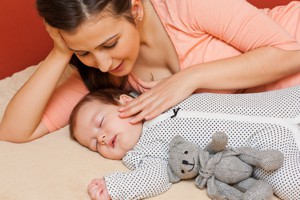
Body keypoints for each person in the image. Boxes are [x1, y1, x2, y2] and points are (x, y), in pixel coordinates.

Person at [1, 0, 300, 143]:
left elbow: (289, 54)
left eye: (111, 43)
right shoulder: (105, 75)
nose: (103, 62)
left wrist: (190, 78)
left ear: (136, 8)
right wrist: (60, 52)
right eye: (84, 52)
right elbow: (14, 131)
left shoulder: (183, 6)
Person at [69, 87, 300, 200]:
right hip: (261, 149)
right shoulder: (145, 150)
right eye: (93, 145)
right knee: (290, 184)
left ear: (126, 101)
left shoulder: (159, 97)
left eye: (100, 122)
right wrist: (114, 188)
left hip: (272, 105)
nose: (100, 138)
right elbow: (154, 178)